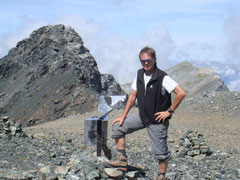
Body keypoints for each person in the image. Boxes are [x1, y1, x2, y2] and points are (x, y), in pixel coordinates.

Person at [105, 46, 186, 180]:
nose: (146, 63)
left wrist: (169, 111)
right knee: (117, 127)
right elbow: (132, 96)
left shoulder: (162, 77)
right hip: (142, 116)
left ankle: (161, 176)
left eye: (148, 60)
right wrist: (123, 116)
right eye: (143, 61)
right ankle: (122, 160)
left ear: (154, 59)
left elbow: (181, 93)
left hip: (157, 120)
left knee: (161, 153)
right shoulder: (139, 74)